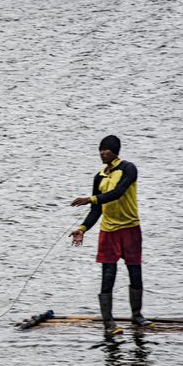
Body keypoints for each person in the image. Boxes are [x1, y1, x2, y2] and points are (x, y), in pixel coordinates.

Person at [69, 135, 152, 335]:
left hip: (131, 227)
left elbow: (118, 192)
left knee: (135, 271)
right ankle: (109, 324)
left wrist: (90, 199)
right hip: (109, 231)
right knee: (108, 275)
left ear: (114, 151)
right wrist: (82, 228)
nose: (101, 153)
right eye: (100, 149)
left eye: (105, 150)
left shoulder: (129, 169)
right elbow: (98, 209)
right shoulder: (99, 177)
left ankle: (137, 316)